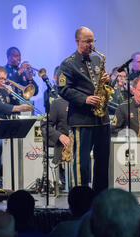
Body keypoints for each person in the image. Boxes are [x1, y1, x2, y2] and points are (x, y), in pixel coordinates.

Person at [57, 26, 111, 195]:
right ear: (77, 41)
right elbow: (63, 89)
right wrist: (85, 99)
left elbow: (102, 85)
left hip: (102, 119)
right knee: (82, 162)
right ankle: (81, 198)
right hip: (82, 119)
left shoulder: (96, 60)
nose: (91, 44)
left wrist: (107, 80)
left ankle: (101, 196)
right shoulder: (68, 64)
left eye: (93, 40)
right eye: (87, 41)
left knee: (103, 161)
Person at [40, 75, 70, 188]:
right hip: (64, 147)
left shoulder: (84, 102)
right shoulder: (58, 103)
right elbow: (45, 126)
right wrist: (59, 136)